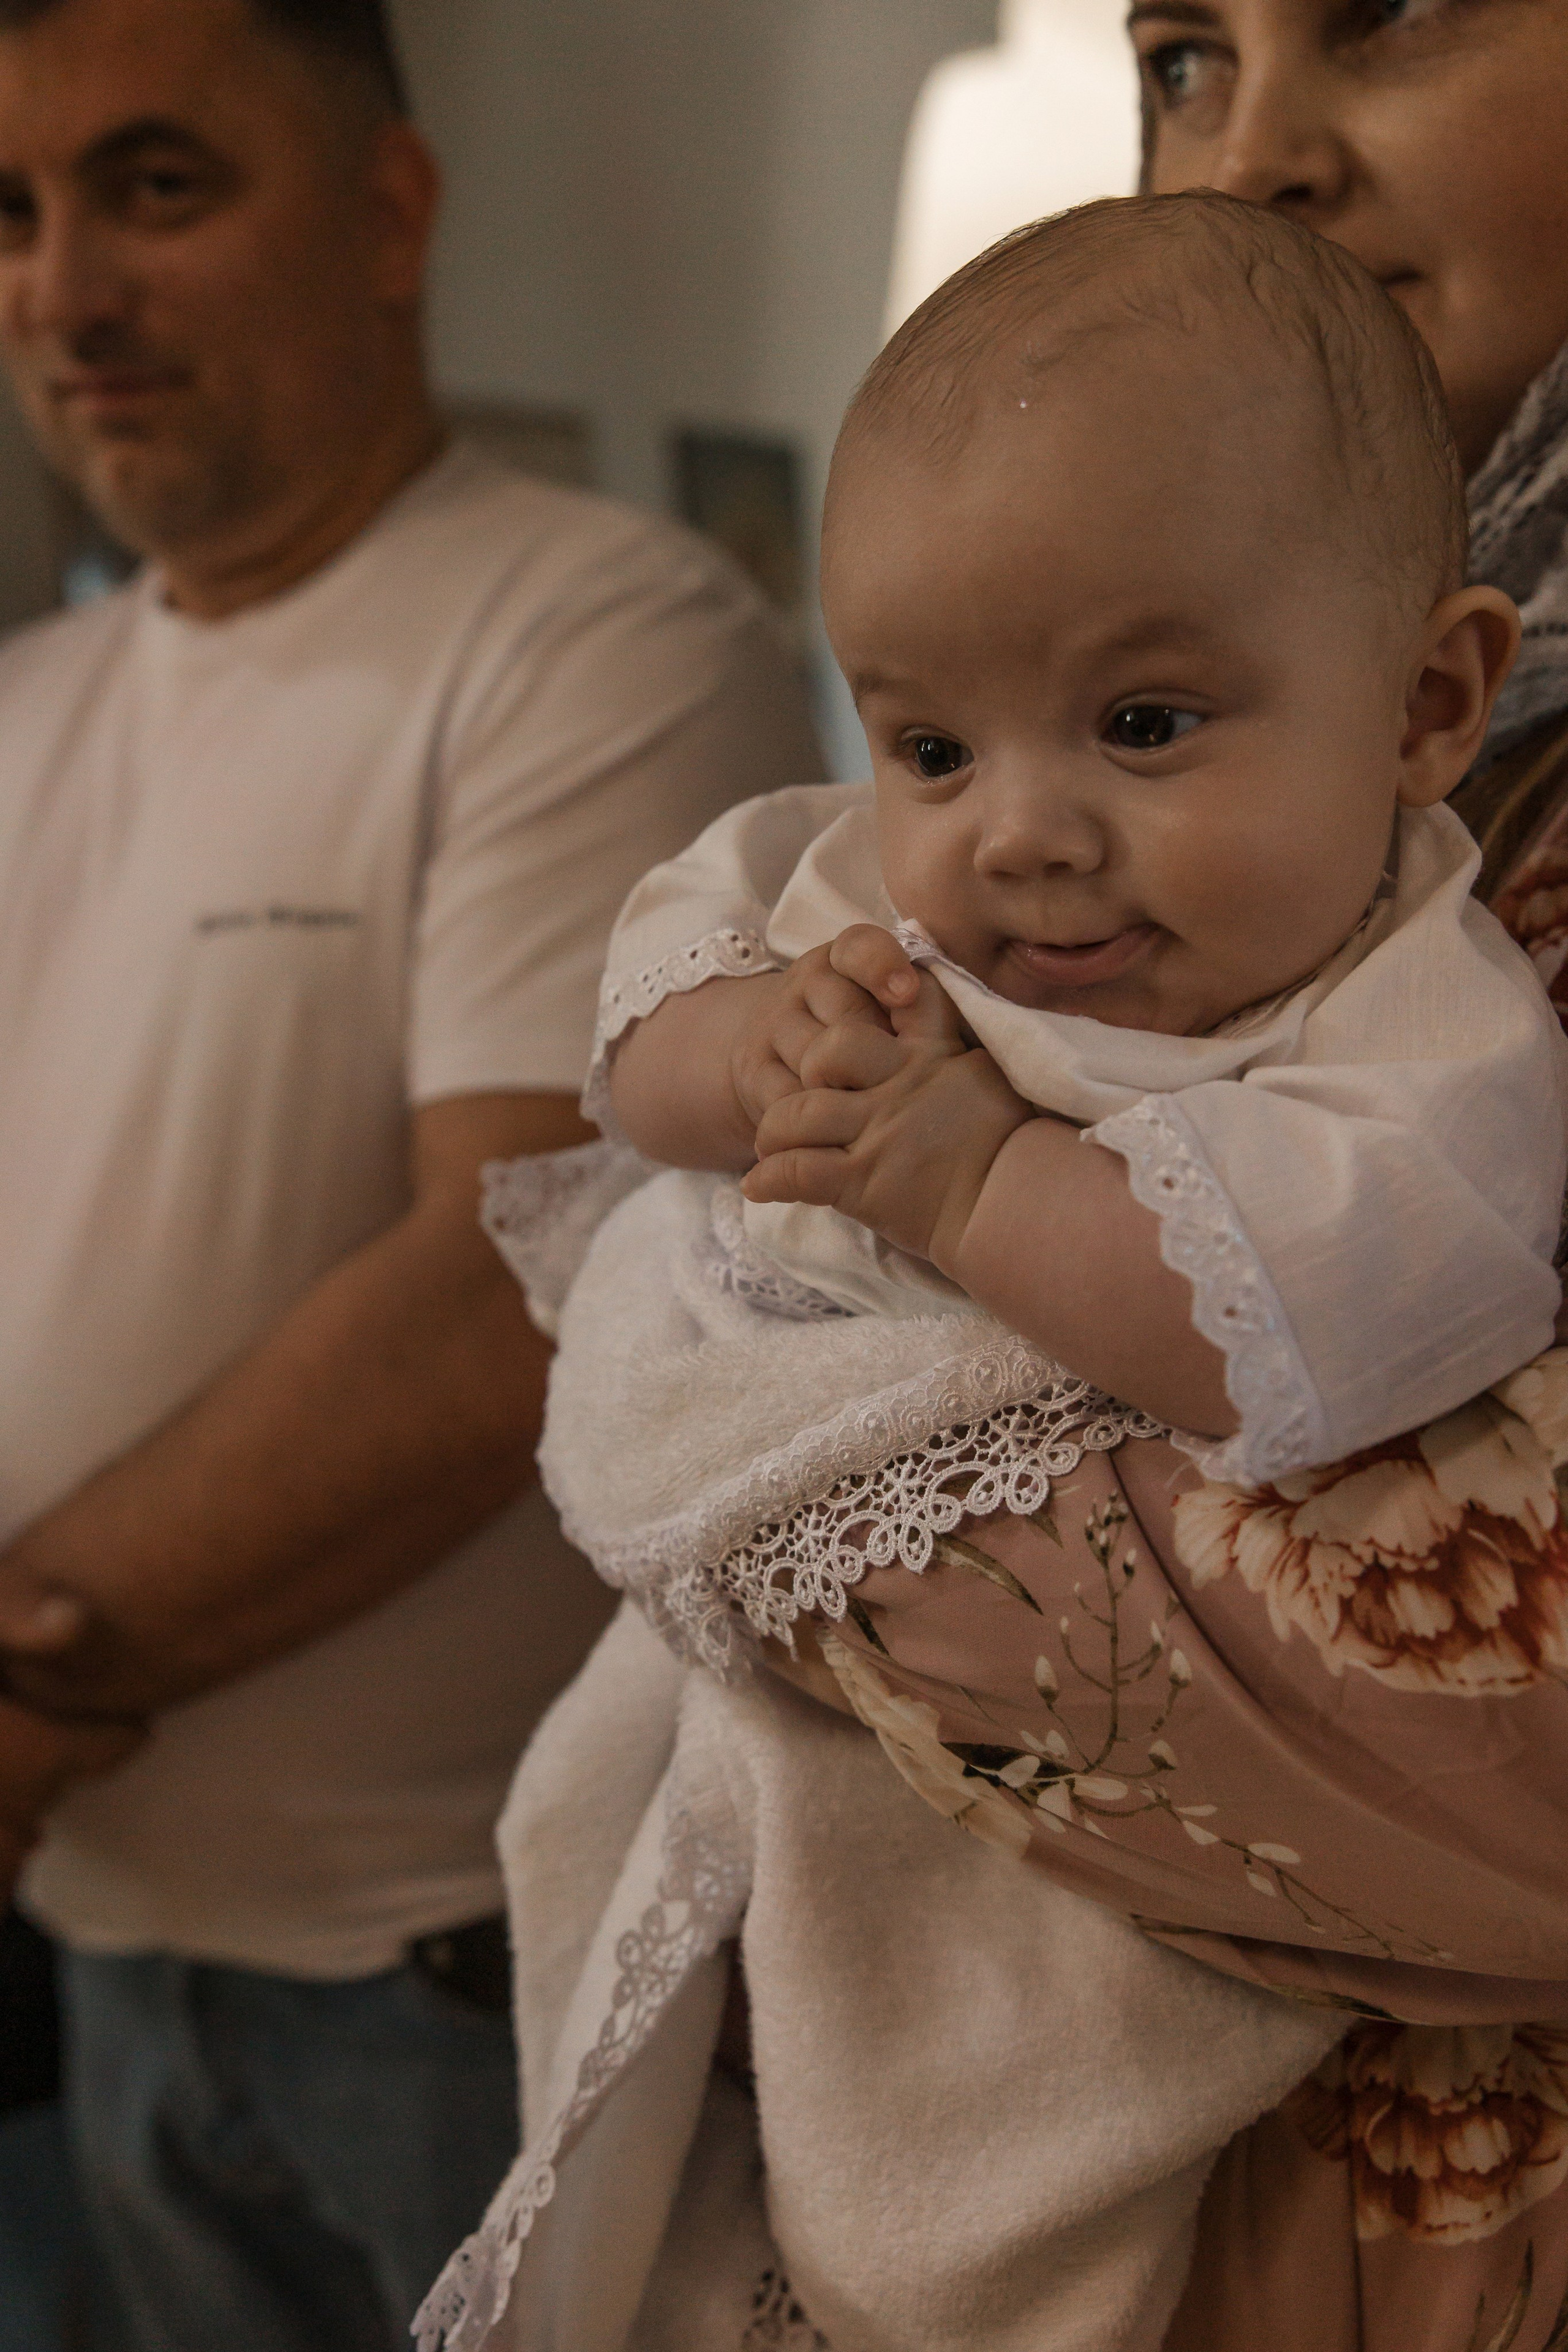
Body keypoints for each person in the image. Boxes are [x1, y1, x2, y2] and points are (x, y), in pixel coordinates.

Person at [415, 197, 1568, 2352]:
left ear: (1429, 705)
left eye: (1142, 725)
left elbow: (1285, 1347)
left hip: (1081, 1853)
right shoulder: (890, 888)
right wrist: (747, 1051)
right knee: (604, 1920)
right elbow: (649, 1007)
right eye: (930, 746)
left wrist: (966, 1189)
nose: (1013, 832)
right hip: (749, 1638)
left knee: (975, 2165)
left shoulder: (1431, 1044)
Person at [0, 0, 822, 2346]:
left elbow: (506, 1296)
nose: (66, 289)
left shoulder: (602, 634)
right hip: (93, 1959)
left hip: (452, 1992)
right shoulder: (20, 710)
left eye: (158, 186)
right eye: (12, 213)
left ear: (387, 216)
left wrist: (29, 1668)